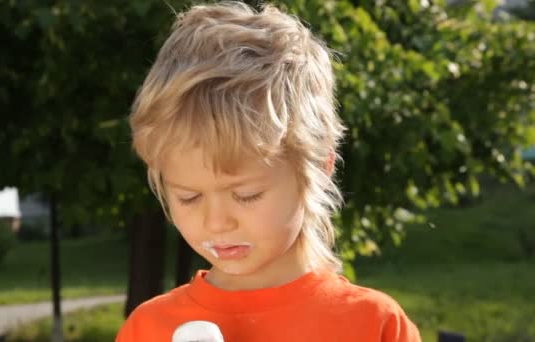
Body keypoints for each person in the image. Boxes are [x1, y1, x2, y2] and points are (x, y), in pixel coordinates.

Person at [116, 1, 421, 341]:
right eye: (188, 197)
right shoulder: (147, 329)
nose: (216, 222)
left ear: (319, 169)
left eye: (247, 195)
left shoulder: (372, 324)